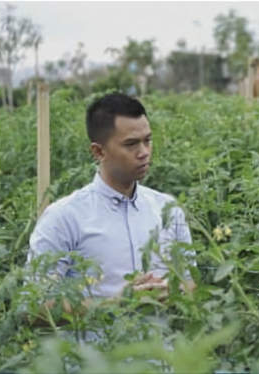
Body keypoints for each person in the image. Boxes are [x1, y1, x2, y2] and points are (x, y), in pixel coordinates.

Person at [26, 93, 196, 323]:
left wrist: (174, 290)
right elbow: (34, 307)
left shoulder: (167, 210)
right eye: (131, 144)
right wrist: (117, 303)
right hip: (99, 358)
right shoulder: (64, 217)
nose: (144, 152)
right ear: (98, 152)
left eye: (147, 140)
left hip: (162, 356)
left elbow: (191, 283)